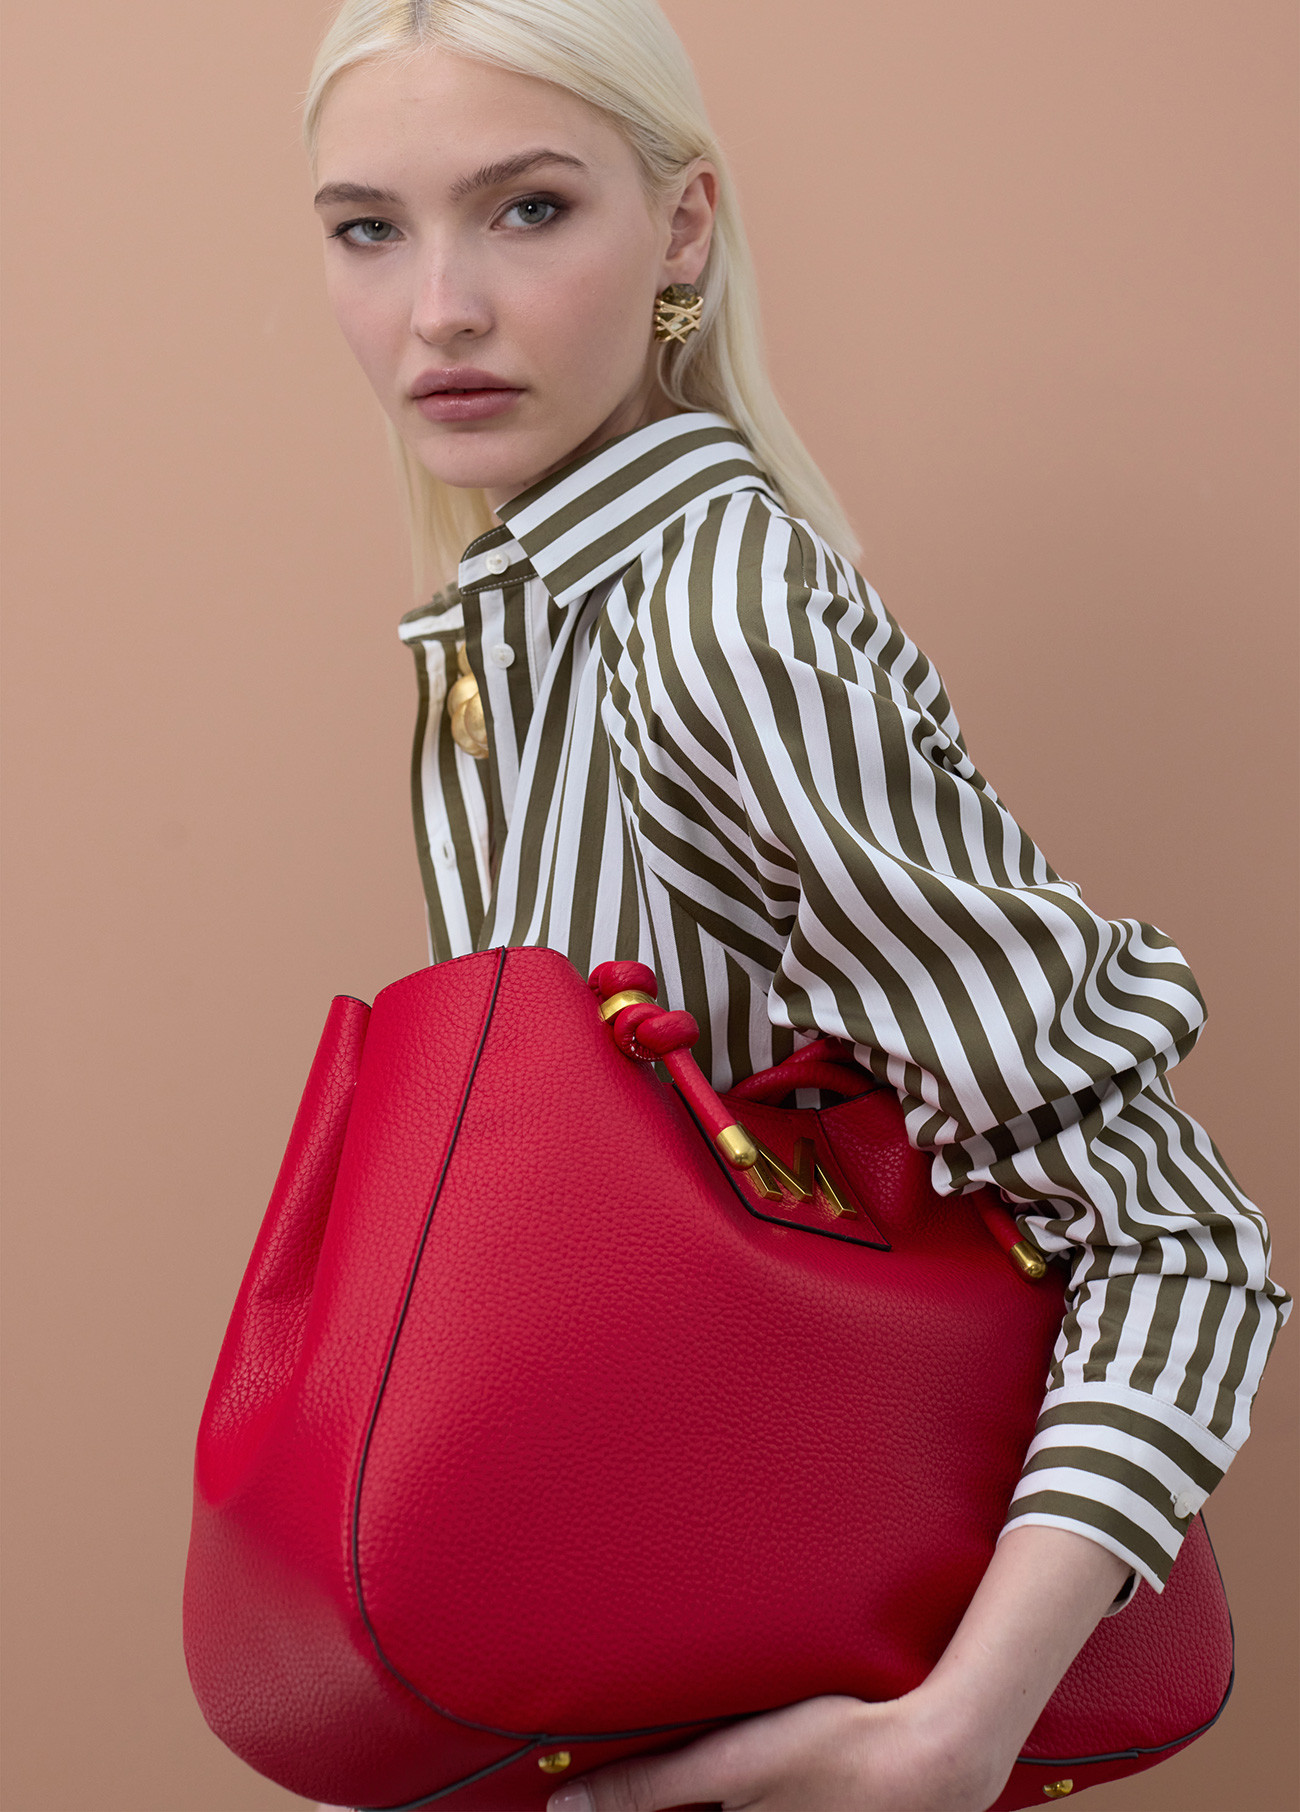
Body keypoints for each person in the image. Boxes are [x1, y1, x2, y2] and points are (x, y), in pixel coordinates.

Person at [303, 2, 1289, 1808]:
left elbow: (1179, 1237)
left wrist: (949, 1739)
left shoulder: (721, 627)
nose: (436, 308)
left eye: (528, 209)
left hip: (792, 1715)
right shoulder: (525, 626)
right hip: (630, 1671)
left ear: (682, 226)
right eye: (369, 228)